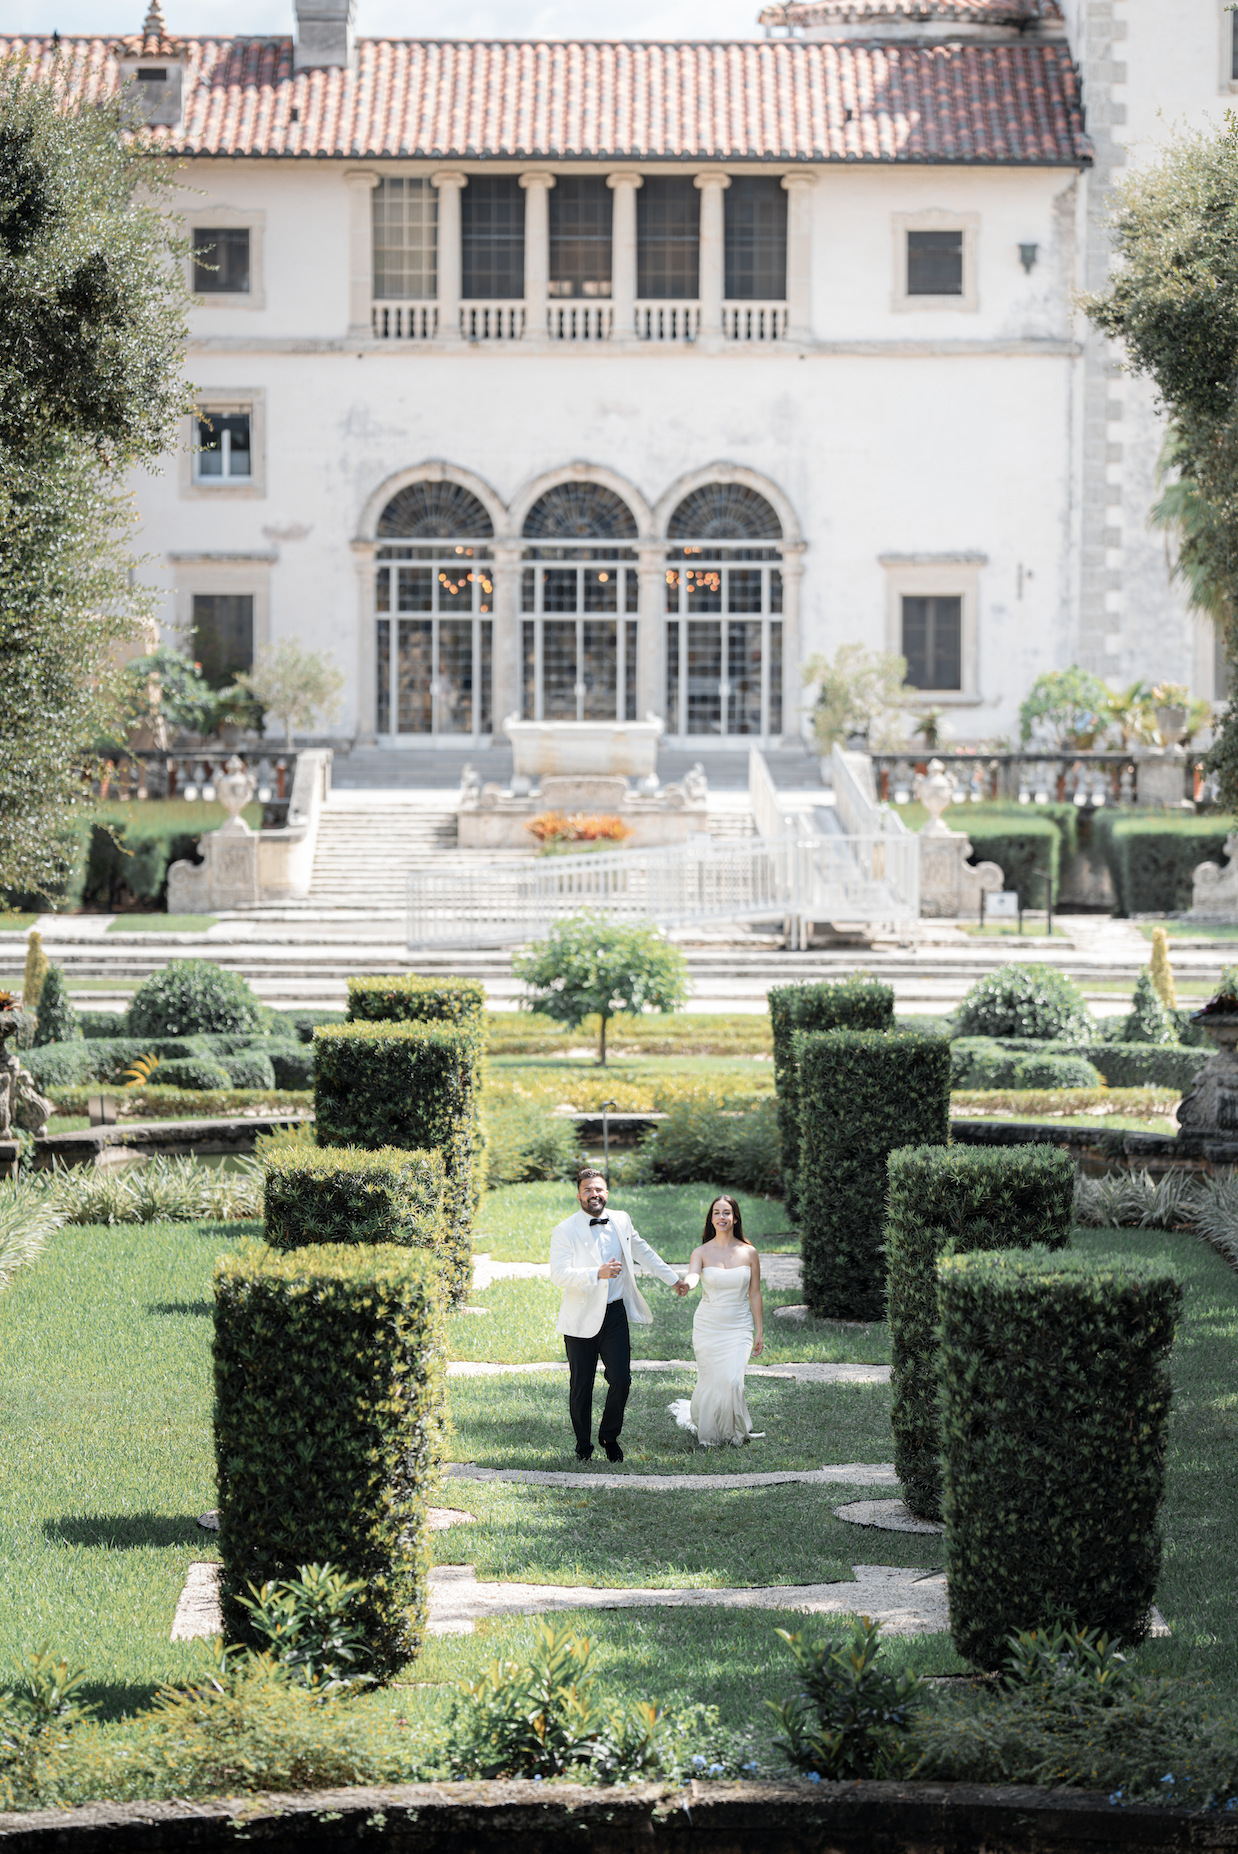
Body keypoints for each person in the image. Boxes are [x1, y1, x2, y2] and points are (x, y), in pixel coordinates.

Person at [549, 1166, 689, 1463]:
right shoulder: (565, 1229)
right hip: (580, 1319)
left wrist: (673, 1278)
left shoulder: (622, 1220)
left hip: (614, 1314)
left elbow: (644, 1251)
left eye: (599, 1189)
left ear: (607, 1193)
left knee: (622, 1379)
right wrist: (595, 1273)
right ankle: (583, 1446)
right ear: (579, 1195)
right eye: (588, 1190)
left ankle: (609, 1436)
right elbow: (559, 1275)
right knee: (581, 1385)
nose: (594, 1194)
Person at [671, 1194, 764, 1448]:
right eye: (716, 1213)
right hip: (708, 1325)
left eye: (726, 1213)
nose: (721, 1217)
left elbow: (754, 1293)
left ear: (735, 1218)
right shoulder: (701, 1252)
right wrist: (686, 1286)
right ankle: (710, 1433)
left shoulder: (749, 1252)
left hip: (739, 1325)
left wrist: (759, 1332)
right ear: (710, 1219)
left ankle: (734, 1431)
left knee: (733, 1380)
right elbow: (693, 1276)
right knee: (712, 1379)